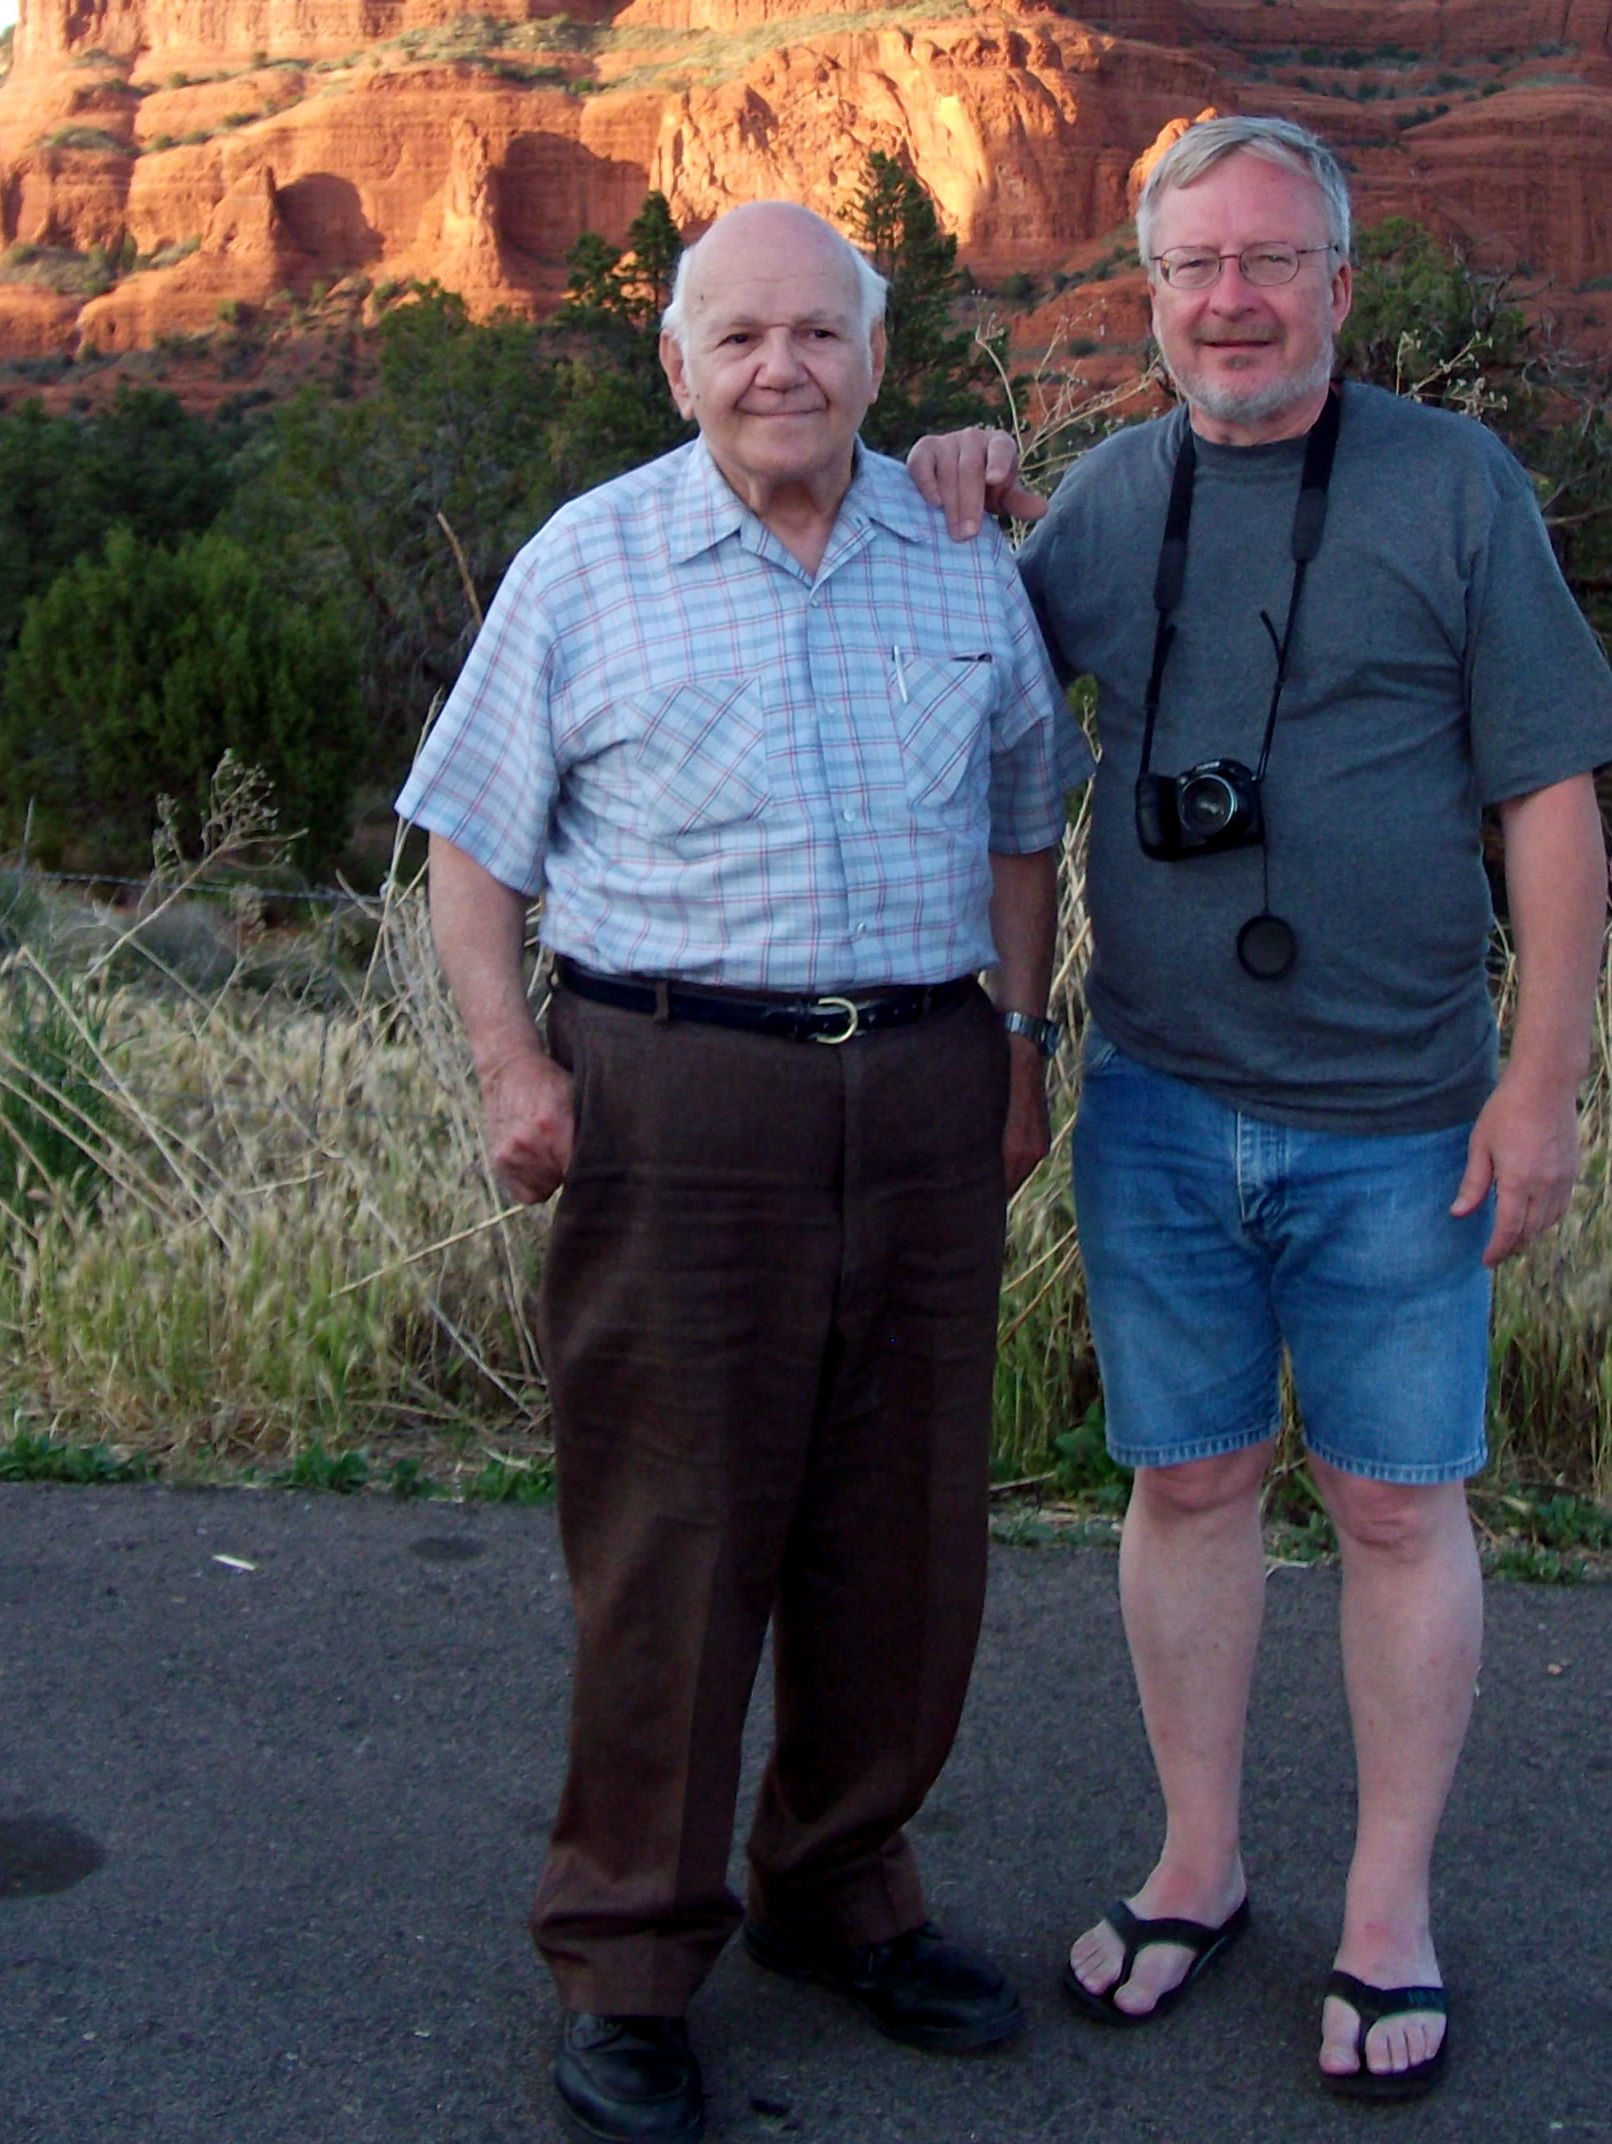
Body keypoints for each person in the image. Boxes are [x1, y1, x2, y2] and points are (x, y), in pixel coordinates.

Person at [910, 114, 1612, 2103]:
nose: (1227, 299)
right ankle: (1199, 1864)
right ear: (1146, 294)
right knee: (1191, 1483)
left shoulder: (1451, 485)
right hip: (1152, 1101)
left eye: (1264, 262)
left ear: (1335, 282)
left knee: (1398, 1502)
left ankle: (1384, 1910)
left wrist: (1540, 1085)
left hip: (1406, 1113)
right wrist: (951, 478)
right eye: (1189, 268)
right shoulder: (1109, 504)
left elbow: (1549, 799)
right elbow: (952, 680)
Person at [399, 198, 1067, 2144]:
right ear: (675, 364)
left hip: (927, 1081)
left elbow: (1025, 818)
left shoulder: (958, 555)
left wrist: (1018, 1049)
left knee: (905, 1531)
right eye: (740, 335)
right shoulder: (589, 562)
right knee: (674, 1545)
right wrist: (511, 1058)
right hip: (672, 1094)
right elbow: (468, 838)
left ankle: (839, 1891)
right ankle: (626, 1962)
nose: (781, 366)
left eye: (817, 333)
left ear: (872, 358)